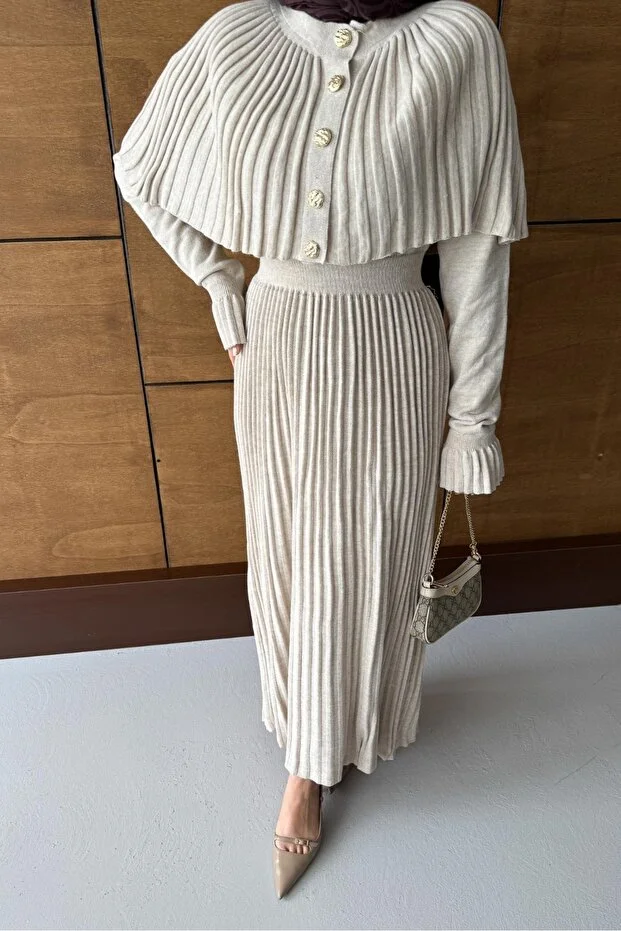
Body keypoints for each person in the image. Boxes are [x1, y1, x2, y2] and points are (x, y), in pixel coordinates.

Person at [112, 0, 528, 898]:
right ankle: (305, 751)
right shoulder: (237, 34)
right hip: (277, 340)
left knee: (374, 552)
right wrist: (219, 280)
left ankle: (340, 738)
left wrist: (471, 420)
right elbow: (139, 166)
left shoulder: (457, 41)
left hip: (394, 340)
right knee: (287, 547)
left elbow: (476, 255)